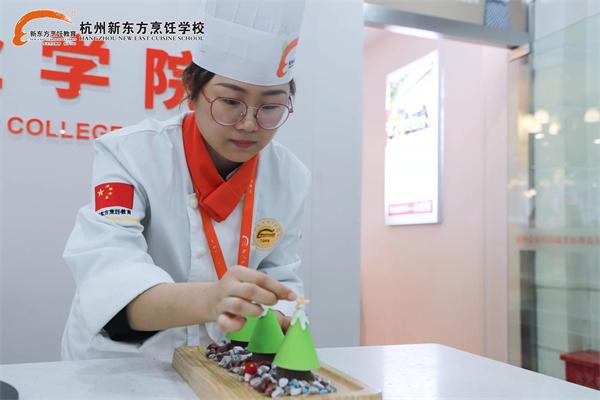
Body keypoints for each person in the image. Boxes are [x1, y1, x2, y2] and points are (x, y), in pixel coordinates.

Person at [61, 0, 309, 362]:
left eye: (270, 107)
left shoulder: (290, 176)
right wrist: (212, 299)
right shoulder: (131, 154)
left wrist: (281, 312)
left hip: (221, 367)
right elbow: (111, 278)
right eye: (230, 101)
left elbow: (280, 272)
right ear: (192, 91)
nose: (249, 124)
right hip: (124, 365)